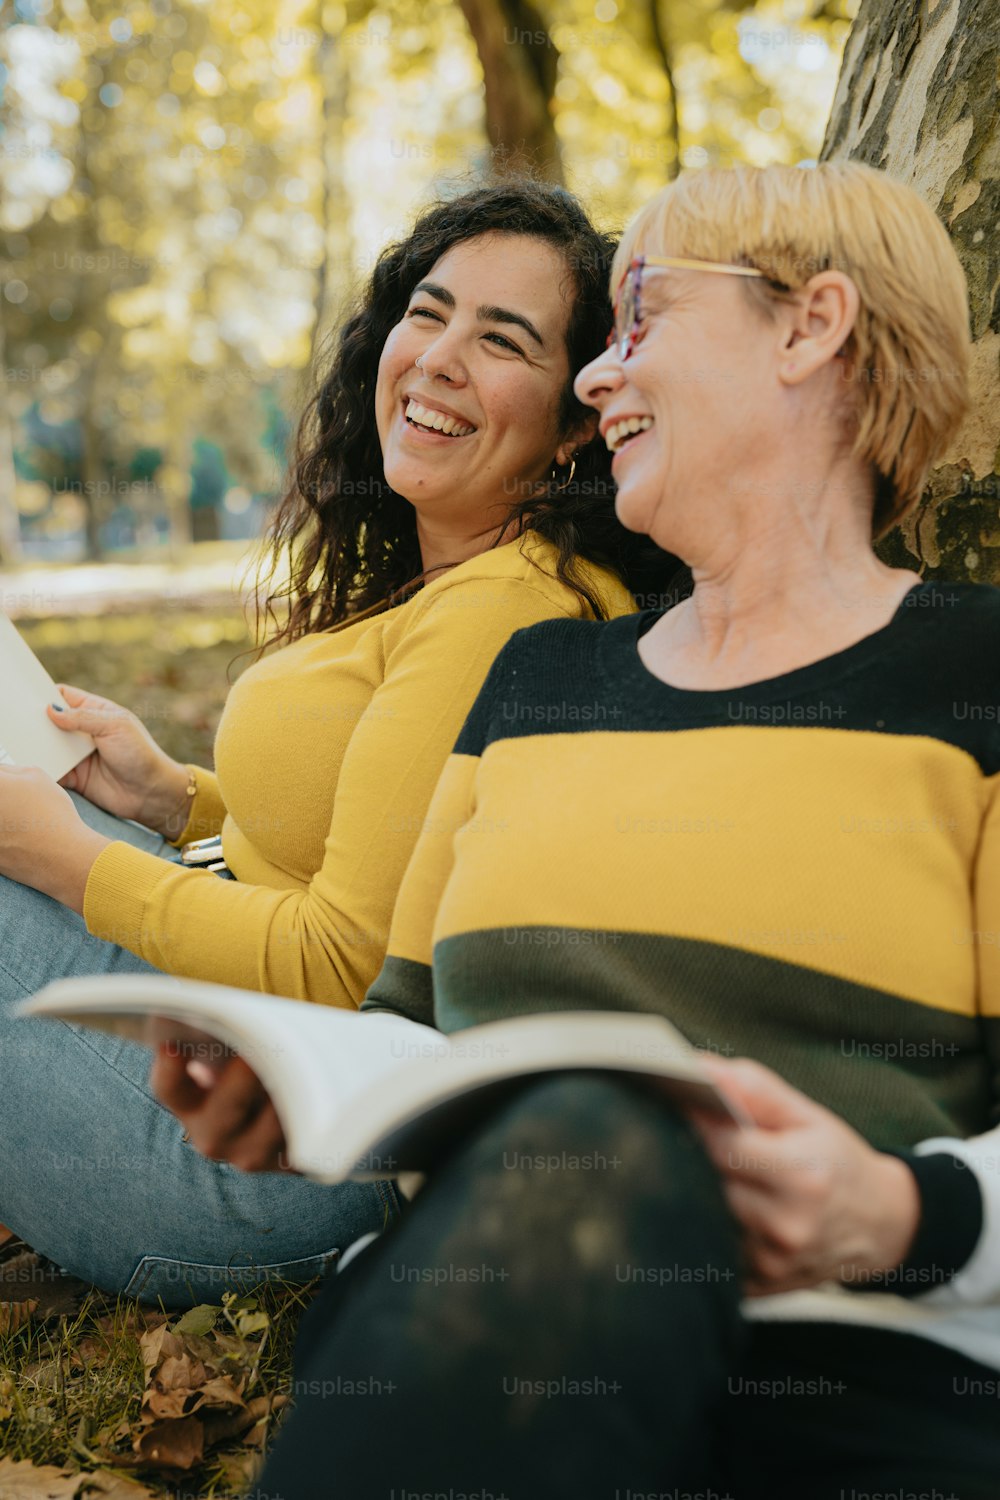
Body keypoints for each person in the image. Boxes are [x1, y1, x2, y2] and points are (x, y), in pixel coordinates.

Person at [221, 162, 998, 1498]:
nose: (594, 377)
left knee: (609, 1130)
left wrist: (904, 1211)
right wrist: (293, 1092)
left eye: (640, 319)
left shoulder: (973, 684)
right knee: (581, 1137)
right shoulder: (536, 683)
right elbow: (403, 1039)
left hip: (851, 1373)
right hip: (470, 1336)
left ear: (810, 328)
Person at [0, 181, 671, 1304]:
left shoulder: (504, 607)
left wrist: (60, 857)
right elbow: (386, 855)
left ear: (573, 423)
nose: (441, 356)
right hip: (261, 1073)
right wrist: (179, 805)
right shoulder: (458, 584)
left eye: (500, 339)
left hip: (276, 1164)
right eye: (430, 310)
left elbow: (345, 965)